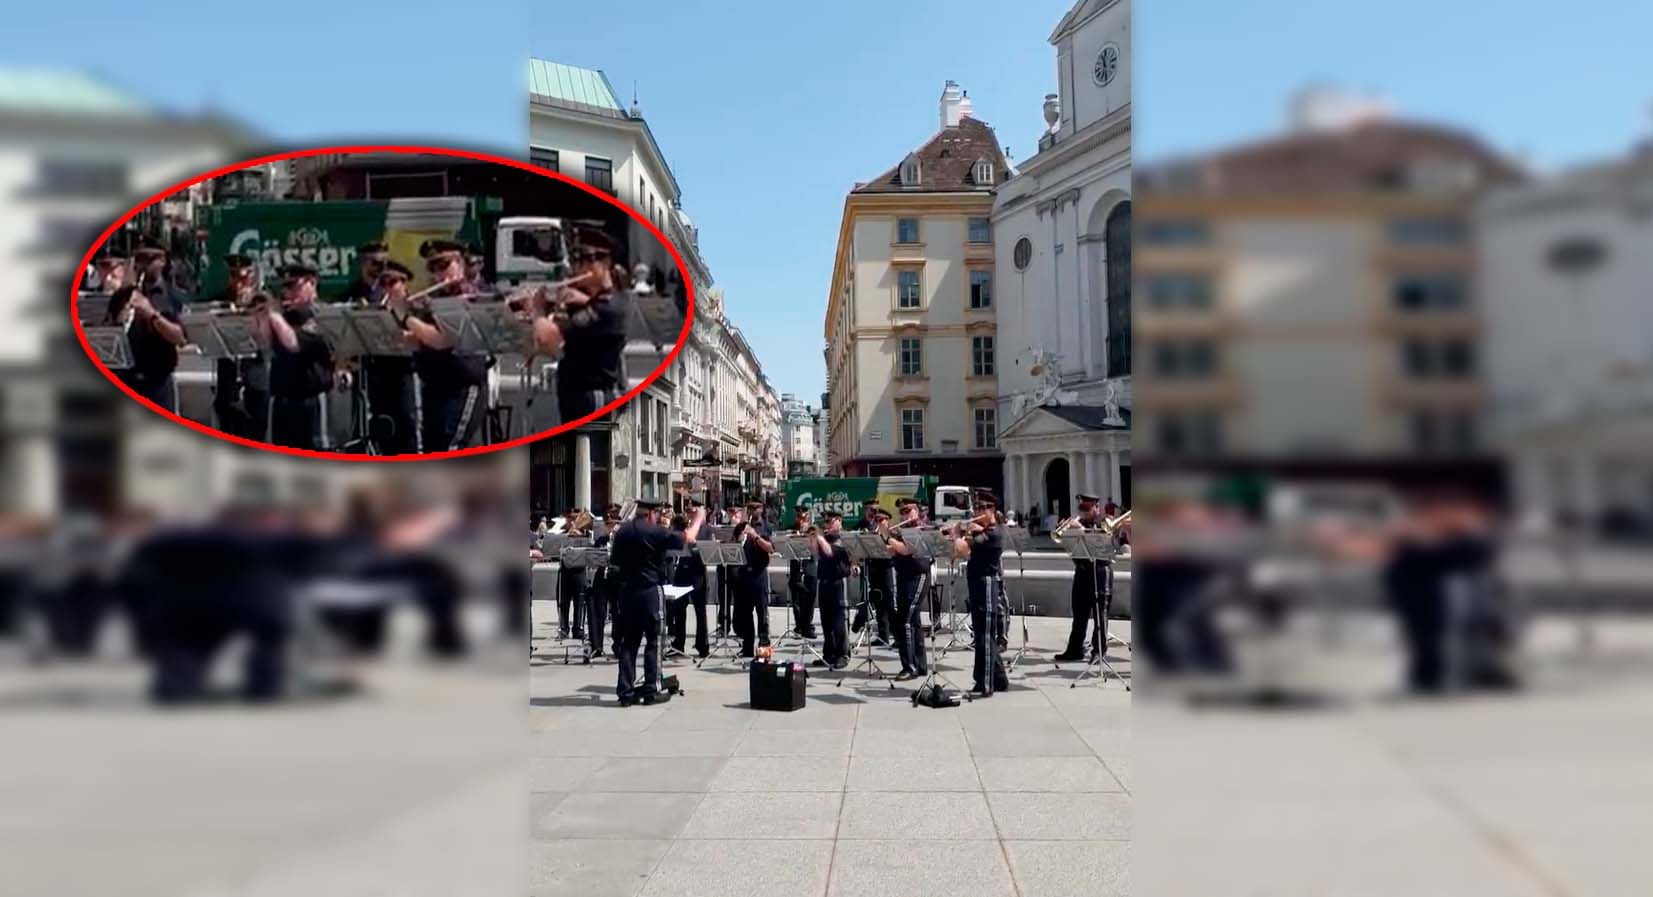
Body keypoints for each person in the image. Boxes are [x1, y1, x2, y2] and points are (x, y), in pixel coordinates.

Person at [527, 229, 633, 424]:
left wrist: (538, 310)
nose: (582, 267)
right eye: (579, 260)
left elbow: (548, 338)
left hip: (593, 397)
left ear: (607, 263)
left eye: (590, 259)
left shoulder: (610, 307)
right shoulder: (593, 302)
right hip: (574, 394)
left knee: (591, 453)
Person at [389, 240, 487, 452]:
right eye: (433, 268)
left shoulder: (467, 295)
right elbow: (418, 339)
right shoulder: (433, 299)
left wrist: (405, 316)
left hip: (461, 385)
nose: (439, 274)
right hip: (435, 387)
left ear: (460, 264)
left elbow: (441, 340)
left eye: (444, 266)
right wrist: (388, 328)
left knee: (451, 449)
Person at [609, 498, 706, 706]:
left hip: (627, 593)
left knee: (629, 643)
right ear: (652, 514)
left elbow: (614, 562)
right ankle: (651, 689)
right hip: (650, 592)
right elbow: (688, 538)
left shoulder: (622, 531)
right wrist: (698, 520)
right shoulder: (655, 531)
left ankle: (625, 692)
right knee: (654, 641)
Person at [111, 240, 188, 412]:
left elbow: (181, 338)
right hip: (128, 379)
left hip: (158, 381)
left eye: (149, 258)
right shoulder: (122, 296)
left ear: (162, 261)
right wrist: (121, 316)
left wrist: (152, 314)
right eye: (139, 259)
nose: (142, 265)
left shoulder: (174, 296)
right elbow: (108, 331)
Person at [266, 265, 337, 450]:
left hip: (311, 400)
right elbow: (260, 342)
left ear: (311, 284)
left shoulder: (322, 317)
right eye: (285, 287)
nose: (287, 292)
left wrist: (273, 315)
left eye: (293, 286)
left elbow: (294, 344)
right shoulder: (284, 317)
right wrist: (259, 315)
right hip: (282, 399)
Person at [207, 253, 273, 441]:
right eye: (234, 276)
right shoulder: (221, 300)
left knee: (256, 434)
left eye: (244, 277)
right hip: (228, 380)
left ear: (253, 277)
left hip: (255, 379)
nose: (239, 283)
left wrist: (249, 310)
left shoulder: (264, 301)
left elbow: (267, 338)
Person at [362, 259, 420, 454]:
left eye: (392, 283)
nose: (387, 288)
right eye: (383, 283)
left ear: (404, 283)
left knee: (408, 431)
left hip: (405, 376)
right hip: (379, 377)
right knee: (384, 432)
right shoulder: (377, 310)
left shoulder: (415, 307)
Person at [955, 492, 1010, 697]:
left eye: (982, 508)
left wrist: (956, 534)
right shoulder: (984, 531)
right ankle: (996, 679)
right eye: (976, 508)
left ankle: (986, 684)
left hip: (987, 584)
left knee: (986, 636)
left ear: (992, 510)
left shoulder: (994, 532)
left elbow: (962, 548)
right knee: (979, 635)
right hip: (977, 583)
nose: (978, 512)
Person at [1055, 493, 1107, 662]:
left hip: (1099, 571)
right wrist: (1065, 535)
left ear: (1097, 509)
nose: (1083, 512)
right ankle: (1075, 649)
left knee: (1100, 614)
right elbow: (1071, 549)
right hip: (1082, 571)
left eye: (1087, 508)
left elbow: (1103, 542)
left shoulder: (1103, 523)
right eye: (1081, 509)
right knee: (1079, 613)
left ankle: (1098, 651)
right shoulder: (1078, 524)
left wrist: (1082, 531)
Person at [883, 500, 929, 680]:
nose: (904, 514)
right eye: (902, 511)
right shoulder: (901, 530)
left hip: (918, 575)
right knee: (913, 622)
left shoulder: (920, 528)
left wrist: (889, 537)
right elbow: (893, 551)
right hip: (903, 576)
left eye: (908, 510)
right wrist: (879, 542)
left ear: (916, 511)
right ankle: (920, 665)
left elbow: (905, 550)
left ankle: (909, 667)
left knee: (906, 621)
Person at [667, 504, 710, 657]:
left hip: (697, 571)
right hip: (682, 570)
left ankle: (702, 645)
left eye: (693, 512)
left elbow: (705, 548)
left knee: (700, 610)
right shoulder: (683, 527)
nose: (690, 514)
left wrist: (694, 546)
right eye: (689, 512)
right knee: (679, 608)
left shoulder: (705, 529)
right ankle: (679, 643)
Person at [732, 499, 774, 656]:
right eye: (749, 508)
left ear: (761, 509)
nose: (752, 510)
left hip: (759, 573)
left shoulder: (767, 526)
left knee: (762, 612)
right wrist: (740, 537)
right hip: (744, 573)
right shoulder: (742, 526)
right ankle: (747, 647)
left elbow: (770, 547)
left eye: (755, 508)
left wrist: (755, 536)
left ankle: (764, 649)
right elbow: (733, 546)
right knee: (745, 613)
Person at [811, 510, 852, 670]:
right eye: (825, 522)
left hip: (838, 582)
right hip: (824, 581)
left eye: (830, 522)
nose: (826, 524)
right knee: (826, 620)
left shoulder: (844, 538)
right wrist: (813, 537)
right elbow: (814, 552)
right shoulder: (825, 538)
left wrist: (820, 537)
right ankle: (829, 654)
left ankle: (843, 654)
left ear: (839, 521)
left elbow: (829, 552)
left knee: (839, 620)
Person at [851, 499, 894, 645]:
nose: (878, 521)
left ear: (887, 521)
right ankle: (883, 636)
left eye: (881, 519)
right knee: (879, 602)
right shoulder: (867, 529)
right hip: (873, 569)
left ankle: (897, 635)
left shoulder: (891, 533)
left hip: (887, 570)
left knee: (889, 603)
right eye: (876, 519)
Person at [555, 508, 590, 639]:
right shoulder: (563, 533)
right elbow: (553, 549)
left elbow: (591, 548)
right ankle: (563, 628)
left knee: (580, 602)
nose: (572, 521)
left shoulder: (586, 533)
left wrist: (579, 535)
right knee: (562, 601)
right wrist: (567, 535)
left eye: (575, 518)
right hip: (564, 571)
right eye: (571, 518)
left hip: (579, 571)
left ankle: (578, 629)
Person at [786, 506, 818, 639]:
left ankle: (808, 625)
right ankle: (799, 626)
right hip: (795, 568)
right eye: (799, 517)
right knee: (796, 600)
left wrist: (807, 535)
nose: (801, 521)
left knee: (809, 598)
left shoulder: (814, 531)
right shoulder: (792, 530)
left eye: (804, 518)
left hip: (809, 568)